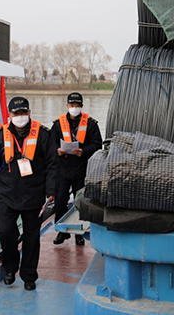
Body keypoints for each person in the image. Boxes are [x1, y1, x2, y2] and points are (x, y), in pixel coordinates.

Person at [0, 96, 59, 291]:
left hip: (33, 193)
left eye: (24, 112)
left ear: (29, 113)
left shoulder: (43, 134)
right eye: (16, 113)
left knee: (32, 237)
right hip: (6, 193)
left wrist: (51, 190)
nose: (20, 116)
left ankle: (29, 276)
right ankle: (10, 268)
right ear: (10, 115)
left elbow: (52, 164)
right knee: (6, 232)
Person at [51, 92, 102, 246]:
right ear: (67, 106)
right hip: (62, 169)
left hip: (81, 169)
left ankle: (79, 233)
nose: (74, 108)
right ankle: (62, 232)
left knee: (80, 202)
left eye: (77, 105)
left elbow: (97, 144)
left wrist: (84, 151)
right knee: (60, 202)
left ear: (82, 106)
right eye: (72, 105)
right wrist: (57, 150)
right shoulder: (58, 124)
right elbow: (49, 143)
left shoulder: (91, 124)